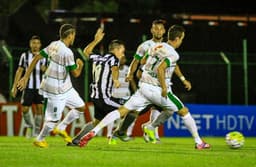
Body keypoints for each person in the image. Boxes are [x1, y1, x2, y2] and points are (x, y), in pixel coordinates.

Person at [79, 24, 210, 150]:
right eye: (182, 39)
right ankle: (198, 142)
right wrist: (164, 87)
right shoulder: (174, 54)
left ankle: (95, 131)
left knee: (124, 110)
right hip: (158, 89)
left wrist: (142, 70)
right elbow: (160, 69)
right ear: (177, 39)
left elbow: (142, 61)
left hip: (143, 88)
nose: (181, 41)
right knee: (184, 112)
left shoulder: (155, 47)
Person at [113, 19, 191, 143]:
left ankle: (152, 133)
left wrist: (183, 79)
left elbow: (173, 65)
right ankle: (121, 131)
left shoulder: (168, 46)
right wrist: (130, 73)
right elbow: (136, 61)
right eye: (156, 28)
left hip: (161, 84)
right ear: (151, 30)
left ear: (165, 31)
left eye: (161, 29)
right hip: (147, 83)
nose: (158, 31)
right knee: (135, 112)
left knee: (162, 108)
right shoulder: (145, 46)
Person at [17, 24, 85, 148]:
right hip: (55, 89)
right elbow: (75, 73)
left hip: (65, 87)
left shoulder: (54, 44)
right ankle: (39, 139)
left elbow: (37, 57)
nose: (74, 37)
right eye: (74, 35)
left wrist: (26, 77)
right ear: (70, 36)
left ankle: (61, 127)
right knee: (53, 120)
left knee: (81, 107)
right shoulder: (67, 52)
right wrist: (80, 64)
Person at [67, 28, 128, 146]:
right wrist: (115, 80)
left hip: (95, 97)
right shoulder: (113, 58)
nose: (123, 54)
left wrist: (96, 40)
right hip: (104, 98)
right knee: (128, 110)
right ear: (116, 49)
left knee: (96, 121)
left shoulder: (99, 58)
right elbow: (115, 69)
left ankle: (76, 140)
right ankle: (115, 135)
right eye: (122, 51)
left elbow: (86, 51)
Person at [11, 35, 46, 137]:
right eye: (33, 43)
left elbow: (49, 70)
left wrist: (46, 69)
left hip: (41, 87)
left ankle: (36, 131)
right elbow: (19, 71)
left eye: (37, 43)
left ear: (40, 45)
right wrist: (15, 86)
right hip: (28, 87)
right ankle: (31, 127)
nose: (35, 45)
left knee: (40, 108)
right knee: (25, 109)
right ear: (30, 44)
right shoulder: (25, 56)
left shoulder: (45, 57)